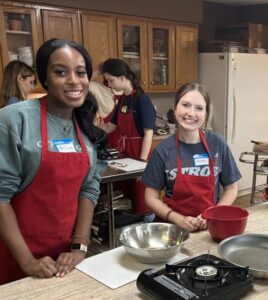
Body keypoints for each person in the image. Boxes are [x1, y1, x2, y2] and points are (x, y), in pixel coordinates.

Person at [0, 39, 108, 287]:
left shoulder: (84, 125)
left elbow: (89, 189)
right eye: (60, 72)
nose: (73, 80)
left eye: (80, 72)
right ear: (44, 78)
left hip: (65, 254)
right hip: (18, 250)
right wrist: (27, 261)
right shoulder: (14, 120)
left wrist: (79, 246)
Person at [142, 83, 241, 232]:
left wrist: (213, 215)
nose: (191, 113)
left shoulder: (217, 144)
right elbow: (150, 197)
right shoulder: (162, 150)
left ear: (206, 114)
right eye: (186, 105)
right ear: (175, 108)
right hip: (173, 230)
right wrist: (178, 219)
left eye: (199, 108)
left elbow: (231, 188)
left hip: (210, 228)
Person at [100, 58, 156, 215]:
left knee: (142, 198)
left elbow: (148, 133)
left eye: (111, 80)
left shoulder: (142, 100)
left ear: (122, 78)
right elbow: (111, 126)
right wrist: (90, 133)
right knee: (128, 195)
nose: (109, 85)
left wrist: (142, 164)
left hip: (140, 154)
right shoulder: (123, 99)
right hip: (126, 155)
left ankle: (147, 223)